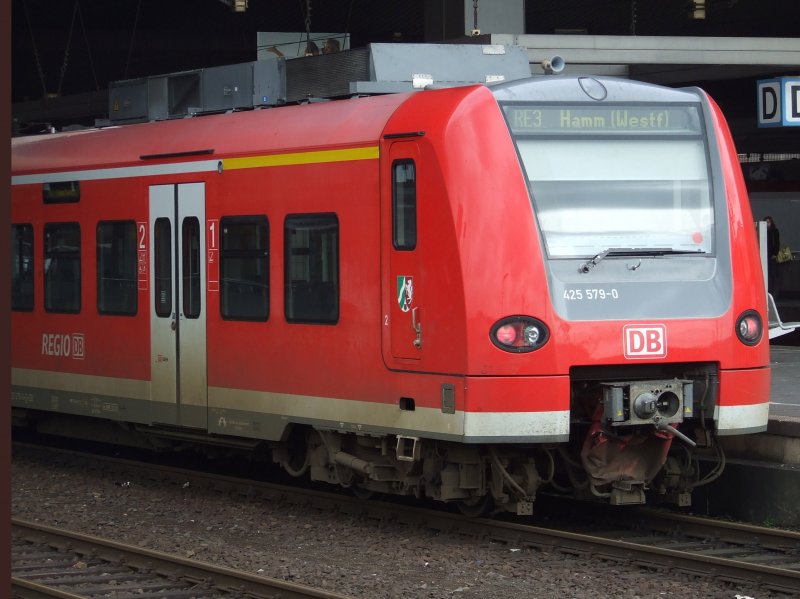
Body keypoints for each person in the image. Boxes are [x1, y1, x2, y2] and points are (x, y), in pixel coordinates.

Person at [765, 216, 781, 296]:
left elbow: (777, 244)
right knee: (768, 274)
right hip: (766, 256)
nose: (767, 224)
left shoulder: (775, 231)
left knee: (773, 274)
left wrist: (775, 254)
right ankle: (769, 291)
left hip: (772, 256)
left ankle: (774, 292)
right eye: (766, 222)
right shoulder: (764, 232)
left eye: (768, 222)